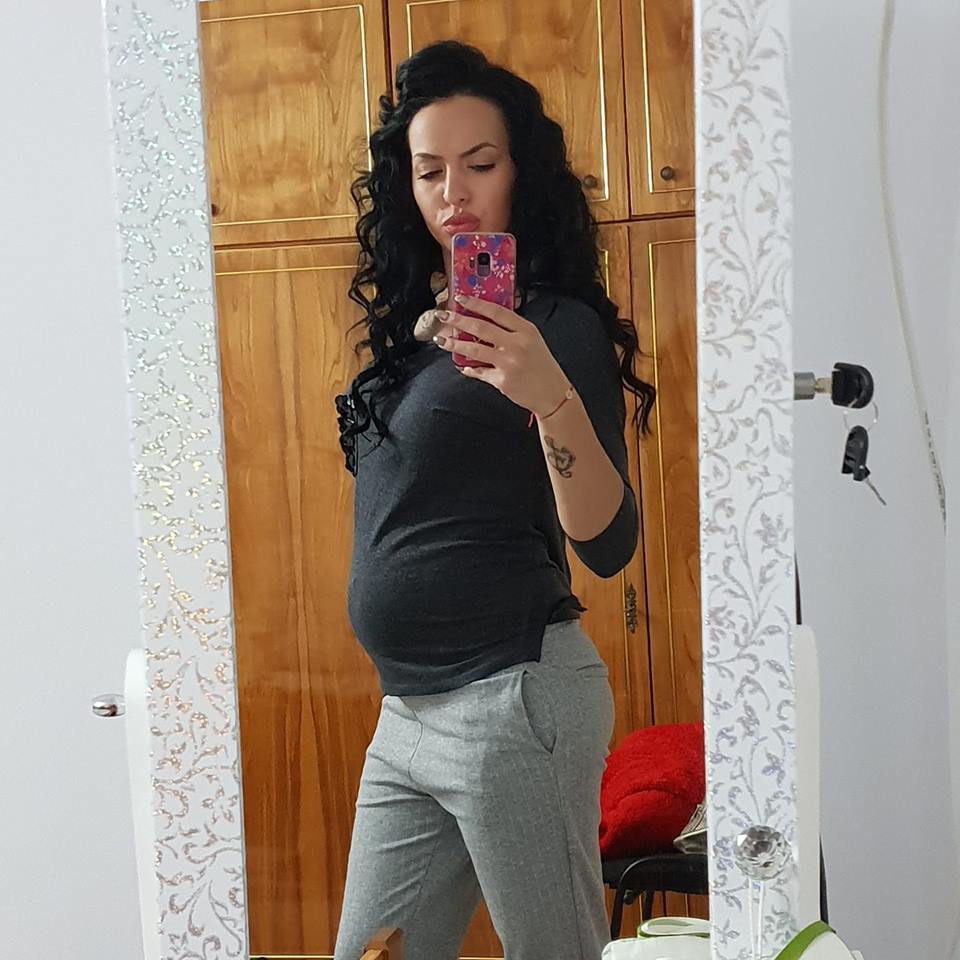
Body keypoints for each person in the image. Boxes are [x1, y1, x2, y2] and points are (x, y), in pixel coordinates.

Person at [333, 40, 654, 960]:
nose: (453, 193)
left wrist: (549, 396)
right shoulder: (421, 333)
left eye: (479, 164)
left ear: (522, 172)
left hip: (512, 697)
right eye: (429, 170)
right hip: (406, 712)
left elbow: (606, 544)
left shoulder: (552, 327)